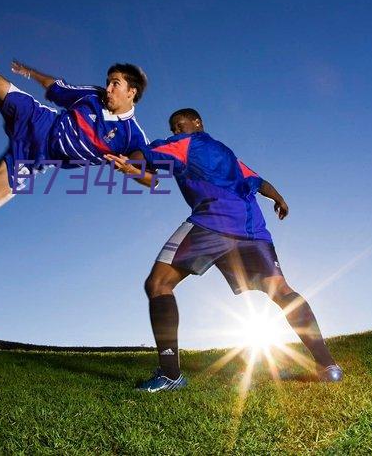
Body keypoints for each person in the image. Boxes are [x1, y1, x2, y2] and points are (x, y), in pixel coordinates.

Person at [106, 108, 343, 392]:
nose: (175, 130)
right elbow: (258, 181)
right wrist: (279, 199)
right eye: (172, 127)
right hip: (252, 228)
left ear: (197, 123)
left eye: (179, 124)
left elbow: (143, 156)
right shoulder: (226, 154)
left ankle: (170, 375)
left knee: (158, 284)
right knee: (282, 292)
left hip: (213, 223)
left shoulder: (184, 144)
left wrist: (126, 160)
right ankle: (328, 366)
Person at [0, 25, 150, 212]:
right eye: (108, 81)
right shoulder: (92, 95)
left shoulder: (132, 136)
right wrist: (30, 73)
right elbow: (55, 86)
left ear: (132, 92)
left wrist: (133, 170)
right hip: (34, 118)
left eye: (115, 84)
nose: (108, 88)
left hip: (34, 157)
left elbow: (152, 178)